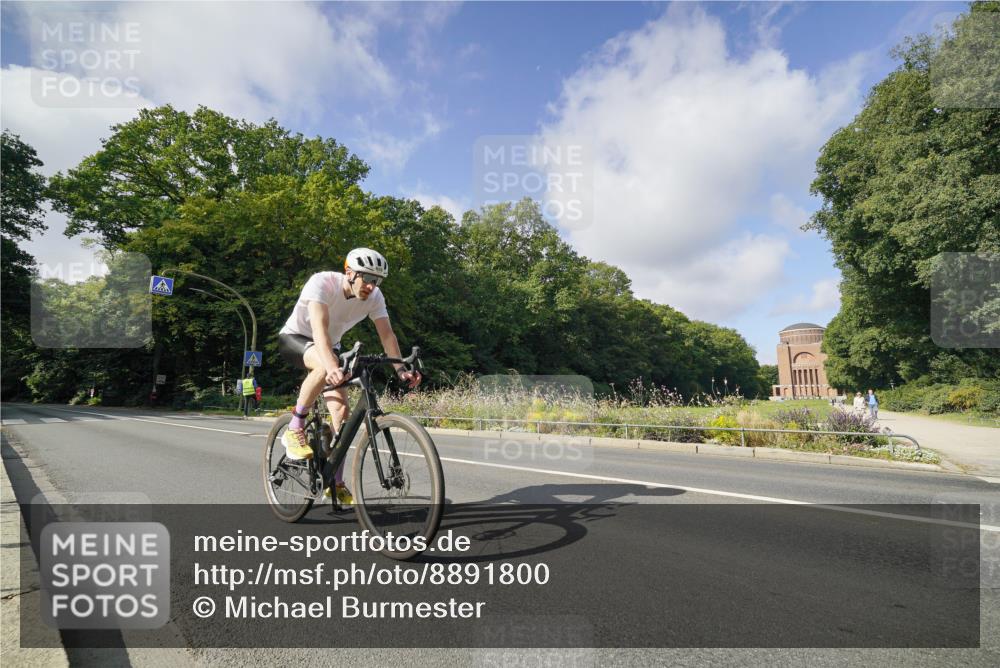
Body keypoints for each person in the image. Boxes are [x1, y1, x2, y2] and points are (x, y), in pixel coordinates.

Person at [277, 248, 421, 506]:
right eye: (365, 278)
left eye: (376, 281)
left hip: (329, 347)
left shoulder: (375, 297)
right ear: (349, 272)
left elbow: (387, 336)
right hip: (297, 339)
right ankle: (295, 427)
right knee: (323, 367)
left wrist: (400, 369)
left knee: (342, 415)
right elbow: (319, 330)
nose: (370, 286)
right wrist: (331, 365)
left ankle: (336, 482)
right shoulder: (322, 283)